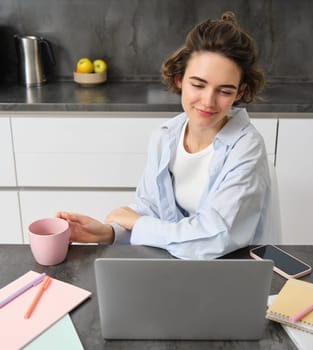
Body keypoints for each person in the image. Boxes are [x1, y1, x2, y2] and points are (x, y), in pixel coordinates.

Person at [57, 11, 272, 259]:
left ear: (239, 92)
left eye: (224, 90)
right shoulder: (165, 137)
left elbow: (215, 238)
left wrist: (138, 224)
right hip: (174, 267)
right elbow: (149, 210)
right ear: (180, 79)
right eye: (198, 85)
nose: (208, 101)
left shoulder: (247, 148)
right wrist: (109, 233)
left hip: (230, 272)